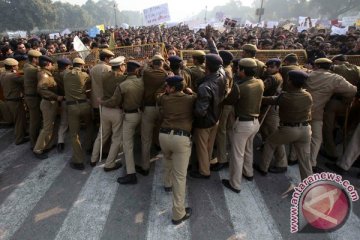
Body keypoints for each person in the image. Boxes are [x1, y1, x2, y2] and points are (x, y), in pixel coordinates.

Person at [255, 70, 313, 181]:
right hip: (305, 130)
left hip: (289, 129)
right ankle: (309, 186)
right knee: (305, 160)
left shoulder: (285, 97)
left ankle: (263, 168)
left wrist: (258, 97)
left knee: (270, 143)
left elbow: (270, 100)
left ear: (290, 82)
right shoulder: (308, 95)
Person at [304, 58, 357, 173]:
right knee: (316, 139)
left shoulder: (307, 74)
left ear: (316, 66)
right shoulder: (335, 78)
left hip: (300, 110)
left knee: (296, 133)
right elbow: (353, 91)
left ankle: (292, 158)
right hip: (317, 112)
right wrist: (345, 99)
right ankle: (311, 163)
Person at [221, 58, 264, 193]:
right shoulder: (260, 82)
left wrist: (228, 91)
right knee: (248, 149)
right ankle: (248, 173)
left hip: (243, 124)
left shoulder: (239, 87)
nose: (237, 70)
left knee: (237, 155)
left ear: (244, 71)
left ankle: (235, 184)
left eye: (239, 69)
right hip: (255, 123)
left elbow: (229, 101)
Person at [158, 75, 196, 225]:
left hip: (164, 136)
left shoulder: (164, 99)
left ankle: (167, 184)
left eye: (167, 86)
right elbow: (198, 97)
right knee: (180, 177)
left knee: (167, 160)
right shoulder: (190, 99)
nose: (166, 88)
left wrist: (166, 91)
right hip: (181, 138)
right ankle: (178, 213)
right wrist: (189, 91)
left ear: (172, 88)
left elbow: (158, 96)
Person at [190, 27, 227, 179]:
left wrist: (191, 97)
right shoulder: (222, 72)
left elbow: (200, 111)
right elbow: (217, 55)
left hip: (205, 122)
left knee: (202, 148)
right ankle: (205, 164)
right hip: (216, 118)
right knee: (209, 146)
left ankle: (204, 171)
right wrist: (210, 40)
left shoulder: (205, 87)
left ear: (206, 67)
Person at [101, 61, 144, 184]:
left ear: (127, 70)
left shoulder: (123, 85)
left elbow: (114, 102)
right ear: (136, 71)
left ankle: (131, 174)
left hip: (129, 116)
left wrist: (102, 102)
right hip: (141, 113)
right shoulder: (142, 81)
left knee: (127, 145)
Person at [320, 54, 360, 161]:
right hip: (351, 103)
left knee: (327, 127)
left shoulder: (335, 68)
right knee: (346, 127)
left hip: (334, 102)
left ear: (336, 61)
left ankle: (331, 152)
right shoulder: (357, 68)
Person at [91, 56, 127, 171]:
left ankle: (93, 159)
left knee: (101, 135)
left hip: (105, 109)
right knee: (116, 138)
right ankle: (110, 164)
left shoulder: (105, 76)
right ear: (121, 66)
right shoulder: (123, 78)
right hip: (116, 110)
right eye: (124, 65)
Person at [139, 55, 168, 176]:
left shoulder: (146, 73)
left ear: (152, 63)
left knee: (146, 138)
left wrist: (147, 62)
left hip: (149, 108)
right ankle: (158, 147)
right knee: (160, 132)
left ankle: (145, 166)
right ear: (162, 64)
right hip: (162, 108)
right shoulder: (167, 74)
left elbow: (143, 69)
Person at [63, 58, 93, 170]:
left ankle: (79, 160)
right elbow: (89, 82)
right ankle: (89, 147)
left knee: (74, 134)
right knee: (90, 125)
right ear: (82, 65)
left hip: (72, 107)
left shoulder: (65, 75)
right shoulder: (84, 75)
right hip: (84, 104)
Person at [258, 58, 287, 173]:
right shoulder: (278, 75)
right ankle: (266, 149)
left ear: (277, 67)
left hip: (270, 109)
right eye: (268, 66)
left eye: (271, 67)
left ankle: (282, 163)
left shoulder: (272, 78)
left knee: (275, 136)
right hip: (269, 106)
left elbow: (261, 88)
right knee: (265, 130)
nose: (268, 68)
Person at [33, 55, 63, 159]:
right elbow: (41, 89)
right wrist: (56, 96)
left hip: (50, 103)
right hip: (48, 103)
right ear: (48, 64)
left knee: (51, 126)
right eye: (52, 64)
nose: (53, 66)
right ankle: (38, 149)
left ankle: (48, 145)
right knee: (47, 128)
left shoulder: (46, 73)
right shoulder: (44, 75)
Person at [212, 50, 234, 171]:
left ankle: (222, 159)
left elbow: (224, 91)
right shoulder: (228, 68)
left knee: (221, 132)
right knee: (228, 131)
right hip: (228, 104)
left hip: (224, 105)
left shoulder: (225, 71)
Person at [0, 58, 27, 144]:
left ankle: (22, 133)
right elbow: (25, 79)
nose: (18, 67)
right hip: (15, 101)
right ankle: (19, 139)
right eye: (16, 66)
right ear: (12, 67)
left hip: (9, 100)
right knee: (19, 120)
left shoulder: (3, 74)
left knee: (19, 119)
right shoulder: (13, 76)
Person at [23, 49, 42, 149]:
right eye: (39, 59)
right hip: (33, 97)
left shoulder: (27, 66)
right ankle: (34, 144)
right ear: (34, 59)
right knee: (35, 121)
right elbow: (42, 72)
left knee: (35, 119)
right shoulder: (32, 69)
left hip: (31, 96)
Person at [53, 58, 72, 152]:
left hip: (63, 100)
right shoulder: (69, 74)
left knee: (63, 123)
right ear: (67, 66)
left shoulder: (54, 75)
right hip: (72, 100)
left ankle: (60, 141)